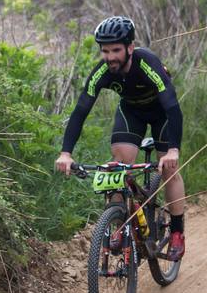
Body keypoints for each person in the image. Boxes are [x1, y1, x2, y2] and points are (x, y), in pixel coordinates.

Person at [55, 16, 186, 260]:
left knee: (168, 169)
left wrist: (173, 150)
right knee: (118, 166)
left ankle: (177, 231)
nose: (110, 56)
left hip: (162, 114)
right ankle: (119, 223)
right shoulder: (102, 72)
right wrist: (66, 152)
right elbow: (81, 110)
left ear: (130, 47)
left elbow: (172, 107)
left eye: (116, 50)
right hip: (131, 112)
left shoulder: (147, 62)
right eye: (105, 51)